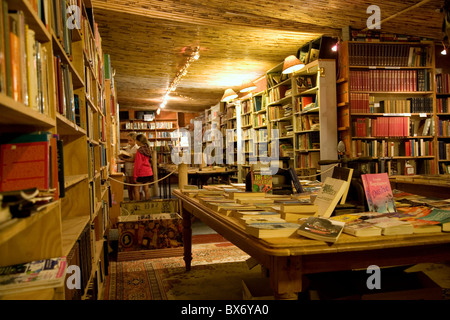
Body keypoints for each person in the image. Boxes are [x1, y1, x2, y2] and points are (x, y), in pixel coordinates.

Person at [133, 133, 153, 200]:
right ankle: (147, 205)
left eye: (136, 141)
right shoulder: (148, 149)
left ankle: (137, 205)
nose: (136, 142)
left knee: (136, 189)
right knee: (146, 189)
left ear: (139, 141)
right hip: (148, 172)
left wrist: (135, 176)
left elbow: (138, 164)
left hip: (141, 173)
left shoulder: (139, 151)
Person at [122, 132, 138, 200]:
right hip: (127, 168)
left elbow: (133, 159)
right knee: (129, 186)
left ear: (135, 140)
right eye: (128, 140)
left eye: (130, 140)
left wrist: (124, 159)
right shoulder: (127, 147)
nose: (128, 142)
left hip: (133, 168)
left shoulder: (136, 148)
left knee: (134, 186)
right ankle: (130, 199)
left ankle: (135, 200)